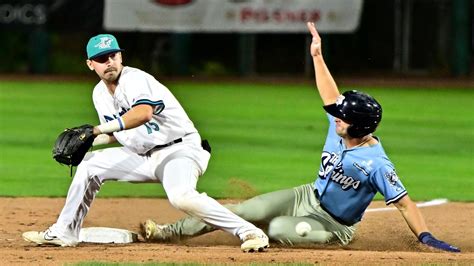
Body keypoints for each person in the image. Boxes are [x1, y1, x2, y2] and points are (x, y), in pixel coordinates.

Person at [140, 22, 460, 253]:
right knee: (243, 211)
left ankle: (265, 232)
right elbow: (329, 93)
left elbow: (405, 204)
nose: (336, 116)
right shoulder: (340, 126)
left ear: (358, 126)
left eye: (343, 116)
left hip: (335, 225)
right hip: (306, 195)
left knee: (277, 228)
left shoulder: (375, 163)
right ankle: (169, 232)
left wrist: (426, 237)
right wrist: (318, 57)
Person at [22, 34, 269, 252]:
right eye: (101, 58)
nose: (109, 62)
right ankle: (65, 232)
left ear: (120, 56)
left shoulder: (135, 80)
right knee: (89, 166)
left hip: (180, 149)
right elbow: (121, 131)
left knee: (181, 197)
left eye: (113, 55)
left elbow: (142, 114)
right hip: (143, 155)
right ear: (90, 64)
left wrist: (97, 129)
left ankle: (249, 232)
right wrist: (90, 141)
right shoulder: (99, 94)